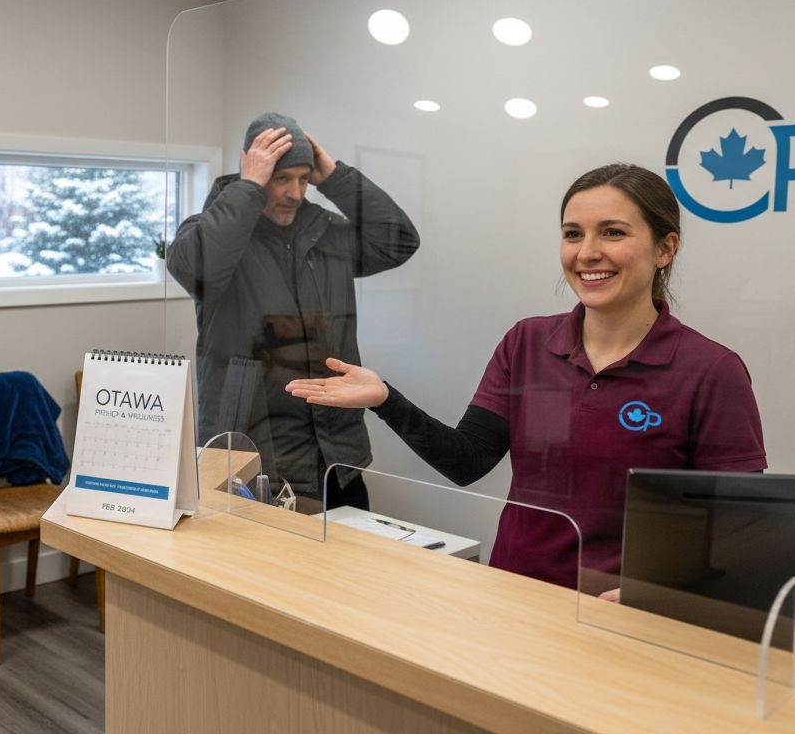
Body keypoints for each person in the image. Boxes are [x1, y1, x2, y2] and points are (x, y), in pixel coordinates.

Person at [285, 163, 767, 593]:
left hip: (624, 613)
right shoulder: (528, 343)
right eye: (573, 234)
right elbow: (467, 461)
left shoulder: (710, 370)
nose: (587, 253)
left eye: (613, 233)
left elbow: (738, 526)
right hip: (515, 594)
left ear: (666, 248)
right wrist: (386, 399)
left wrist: (656, 591)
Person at [167, 112, 419, 509]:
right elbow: (196, 270)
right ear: (249, 166)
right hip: (253, 459)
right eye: (281, 178)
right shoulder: (210, 234)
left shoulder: (325, 232)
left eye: (303, 179)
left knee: (348, 569)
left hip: (335, 455)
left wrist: (334, 177)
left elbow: (399, 241)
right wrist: (249, 186)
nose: (295, 193)